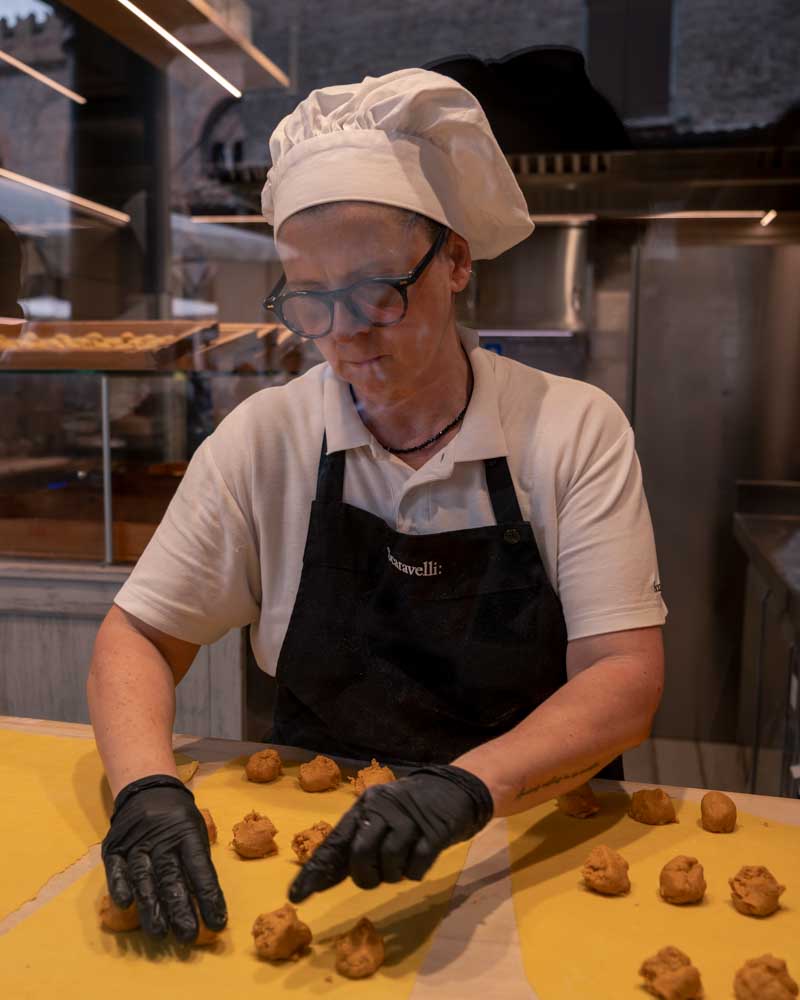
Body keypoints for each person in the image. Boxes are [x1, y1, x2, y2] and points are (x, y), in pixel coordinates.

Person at [89, 68, 666, 943]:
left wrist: (469, 784)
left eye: (374, 292)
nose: (343, 333)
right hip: (314, 846)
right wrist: (145, 785)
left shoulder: (570, 430)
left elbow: (623, 675)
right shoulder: (264, 441)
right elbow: (139, 634)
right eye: (308, 300)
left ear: (457, 261)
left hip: (536, 835)